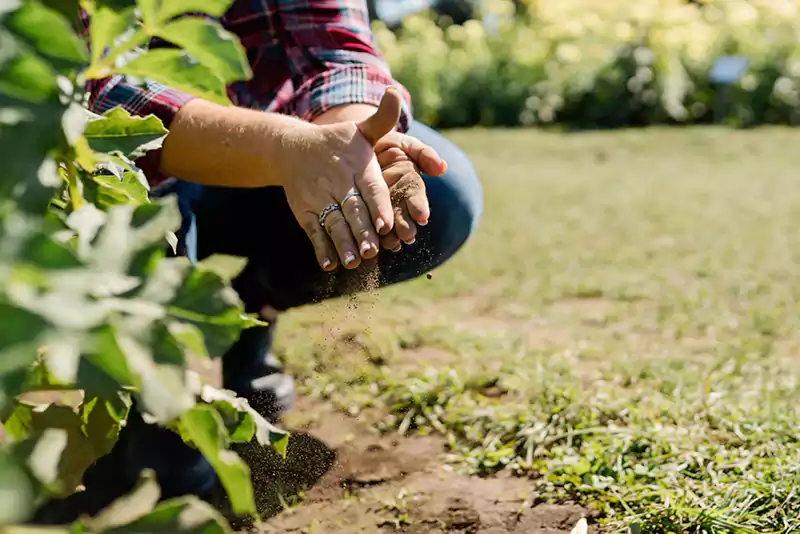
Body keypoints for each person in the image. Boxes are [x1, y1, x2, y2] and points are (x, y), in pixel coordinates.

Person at [76, 0, 483, 507]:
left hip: (270, 156)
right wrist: (285, 147)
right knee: (126, 199)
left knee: (444, 198)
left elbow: (332, 50)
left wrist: (358, 142)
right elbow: (95, 96)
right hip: (137, 162)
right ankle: (153, 413)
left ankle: (253, 306)